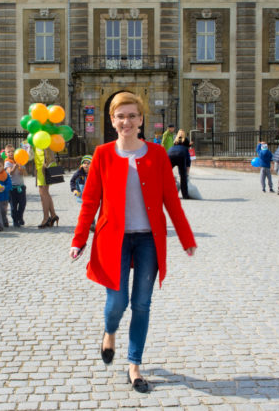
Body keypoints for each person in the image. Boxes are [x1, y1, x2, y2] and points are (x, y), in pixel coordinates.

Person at [69, 92, 196, 393]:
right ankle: (109, 331)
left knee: (141, 303)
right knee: (117, 302)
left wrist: (186, 238)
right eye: (120, 116)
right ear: (112, 121)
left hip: (148, 239)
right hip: (113, 239)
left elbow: (171, 200)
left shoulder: (157, 154)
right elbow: (90, 201)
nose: (126, 121)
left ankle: (134, 365)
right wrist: (79, 239)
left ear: (141, 120)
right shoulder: (102, 154)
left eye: (132, 116)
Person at [34, 147, 59, 228]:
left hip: (44, 168)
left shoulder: (43, 141)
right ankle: (53, 215)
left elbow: (48, 150)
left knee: (43, 194)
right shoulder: (36, 142)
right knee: (45, 193)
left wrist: (46, 163)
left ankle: (46, 218)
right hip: (40, 168)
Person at [4, 144, 27, 227]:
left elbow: (24, 173)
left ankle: (20, 217)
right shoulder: (7, 162)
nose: (11, 153)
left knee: (22, 204)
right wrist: (15, 166)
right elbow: (10, 172)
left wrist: (21, 169)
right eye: (9, 152)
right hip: (12, 188)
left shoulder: (19, 160)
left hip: (21, 187)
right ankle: (15, 220)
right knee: (13, 206)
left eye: (13, 151)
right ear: (6, 154)